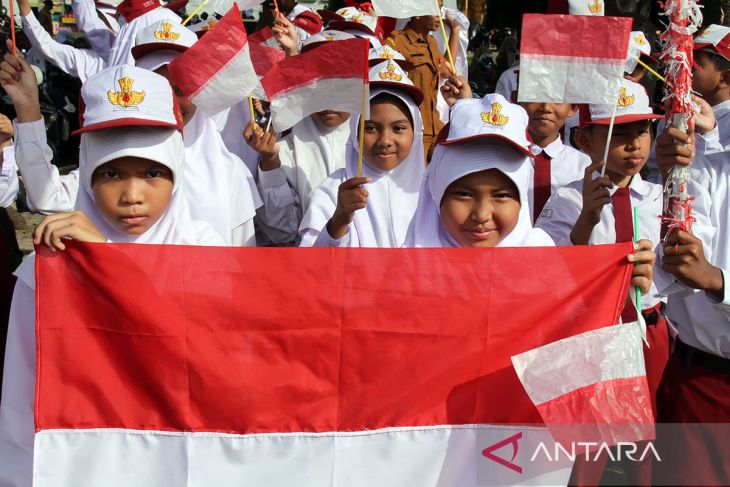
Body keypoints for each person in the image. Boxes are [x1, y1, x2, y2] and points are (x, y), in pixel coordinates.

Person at [0, 48, 225, 487]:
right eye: (111, 174)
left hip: (188, 460)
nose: (132, 195)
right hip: (88, 465)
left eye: (152, 173)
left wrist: (106, 258)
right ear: (85, 174)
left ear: (177, 170)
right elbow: (21, 403)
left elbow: (206, 355)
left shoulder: (206, 249)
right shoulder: (45, 271)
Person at [536, 79, 664, 486]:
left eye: (640, 131)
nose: (633, 146)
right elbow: (548, 269)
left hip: (650, 327)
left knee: (645, 434)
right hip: (595, 333)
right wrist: (586, 221)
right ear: (587, 140)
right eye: (617, 135)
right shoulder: (568, 199)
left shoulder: (663, 198)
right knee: (589, 436)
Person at [649, 115, 730, 487]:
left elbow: (706, 276)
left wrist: (718, 280)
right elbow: (676, 268)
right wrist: (673, 176)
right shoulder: (707, 172)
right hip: (702, 384)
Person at [299, 60, 424, 248]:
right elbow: (311, 262)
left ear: (416, 133)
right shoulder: (334, 190)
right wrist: (339, 220)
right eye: (371, 128)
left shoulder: (432, 190)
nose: (385, 140)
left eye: (398, 128)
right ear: (355, 132)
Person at [404, 95, 554, 249]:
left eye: (502, 195)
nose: (482, 215)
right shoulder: (404, 269)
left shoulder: (543, 259)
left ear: (522, 195)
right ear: (436, 190)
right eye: (463, 194)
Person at [386, 5, 460, 158]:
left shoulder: (431, 42)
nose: (439, 15)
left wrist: (455, 32)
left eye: (440, 9)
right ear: (417, 14)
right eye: (434, 9)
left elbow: (447, 70)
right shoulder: (396, 43)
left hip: (435, 128)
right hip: (415, 130)